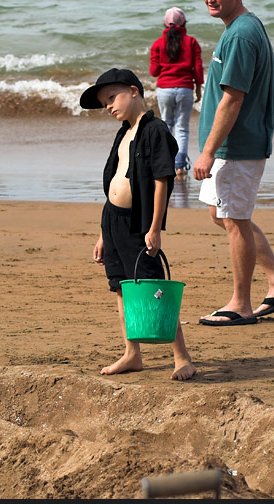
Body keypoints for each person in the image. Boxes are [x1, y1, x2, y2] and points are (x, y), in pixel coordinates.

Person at [80, 68, 195, 381]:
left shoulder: (155, 130)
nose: (108, 106)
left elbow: (162, 180)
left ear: (134, 90)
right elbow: (115, 181)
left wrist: (155, 227)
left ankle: (182, 357)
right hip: (112, 220)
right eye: (104, 103)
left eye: (111, 97)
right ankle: (132, 353)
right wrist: (103, 234)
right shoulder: (124, 131)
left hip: (138, 225)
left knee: (154, 287)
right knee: (121, 288)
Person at [194, 0, 274, 326]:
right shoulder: (239, 28)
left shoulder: (242, 34)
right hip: (234, 146)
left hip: (235, 147)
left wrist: (208, 151)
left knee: (235, 219)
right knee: (221, 215)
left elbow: (233, 98)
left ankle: (241, 304)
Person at [150, 6, 204, 180]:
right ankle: (180, 166)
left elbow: (154, 71)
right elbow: (197, 69)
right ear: (184, 23)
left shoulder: (158, 43)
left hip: (165, 89)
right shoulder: (191, 42)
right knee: (182, 129)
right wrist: (198, 87)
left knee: (166, 125)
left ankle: (166, 164)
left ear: (165, 24)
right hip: (185, 88)